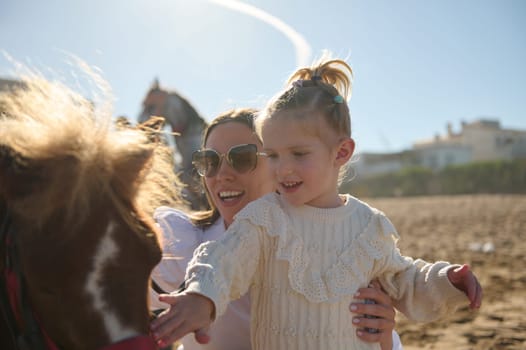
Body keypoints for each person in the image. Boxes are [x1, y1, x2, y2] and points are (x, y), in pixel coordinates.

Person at [151, 56, 483, 349]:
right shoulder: (264, 219)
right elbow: (222, 262)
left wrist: (445, 279)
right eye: (274, 156)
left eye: (298, 154)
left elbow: (404, 278)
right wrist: (200, 298)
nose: (284, 168)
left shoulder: (369, 226)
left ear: (341, 153)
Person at [149, 108, 403, 350]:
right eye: (209, 161)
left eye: (242, 158)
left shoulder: (335, 249)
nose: (222, 174)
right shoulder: (183, 245)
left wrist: (381, 339)